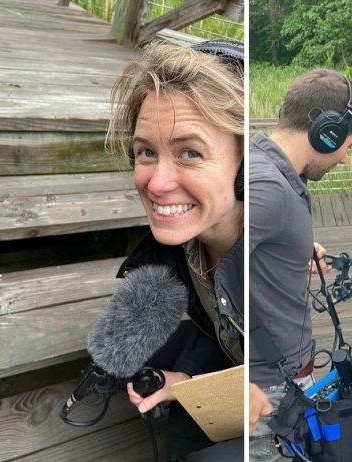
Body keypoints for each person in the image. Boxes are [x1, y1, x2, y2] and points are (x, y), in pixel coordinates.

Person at [107, 40, 244, 461]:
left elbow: (286, 385)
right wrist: (187, 380)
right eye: (146, 152)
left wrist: (188, 383)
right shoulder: (187, 241)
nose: (156, 183)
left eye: (189, 152)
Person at [249, 68, 352, 461]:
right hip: (266, 383)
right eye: (348, 145)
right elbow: (208, 269)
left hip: (283, 372)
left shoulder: (263, 164)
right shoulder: (268, 189)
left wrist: (288, 252)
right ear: (327, 133)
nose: (346, 160)